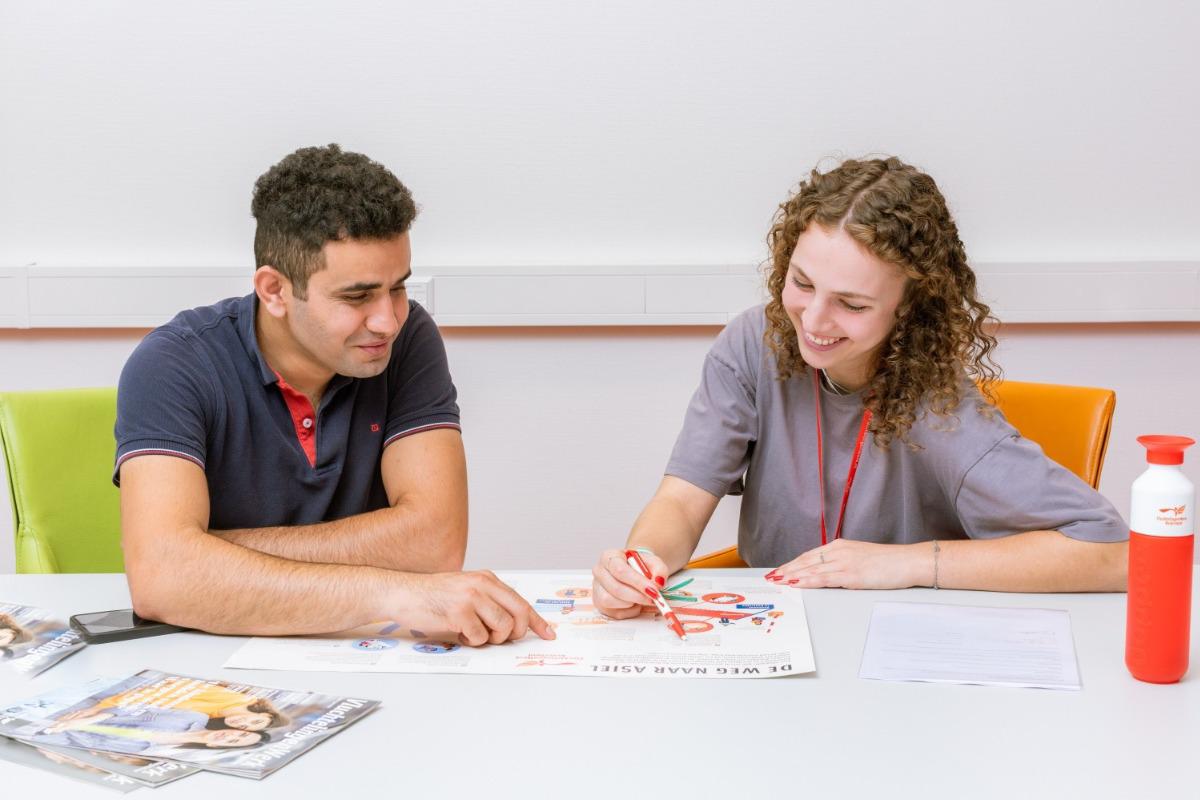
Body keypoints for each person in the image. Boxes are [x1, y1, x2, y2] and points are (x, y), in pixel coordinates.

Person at [592, 156, 1128, 616]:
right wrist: (642, 561)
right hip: (776, 630)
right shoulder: (752, 344)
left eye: (851, 304)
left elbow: (1116, 554)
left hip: (901, 643)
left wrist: (907, 562)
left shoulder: (938, 405)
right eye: (801, 283)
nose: (814, 320)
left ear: (909, 309)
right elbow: (682, 503)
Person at [116, 144, 552, 647]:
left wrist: (215, 555)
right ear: (275, 290)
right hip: (207, 659)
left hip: (364, 657)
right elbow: (162, 581)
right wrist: (391, 593)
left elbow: (435, 544)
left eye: (398, 288)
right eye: (357, 296)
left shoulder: (407, 342)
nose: (387, 320)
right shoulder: (174, 364)